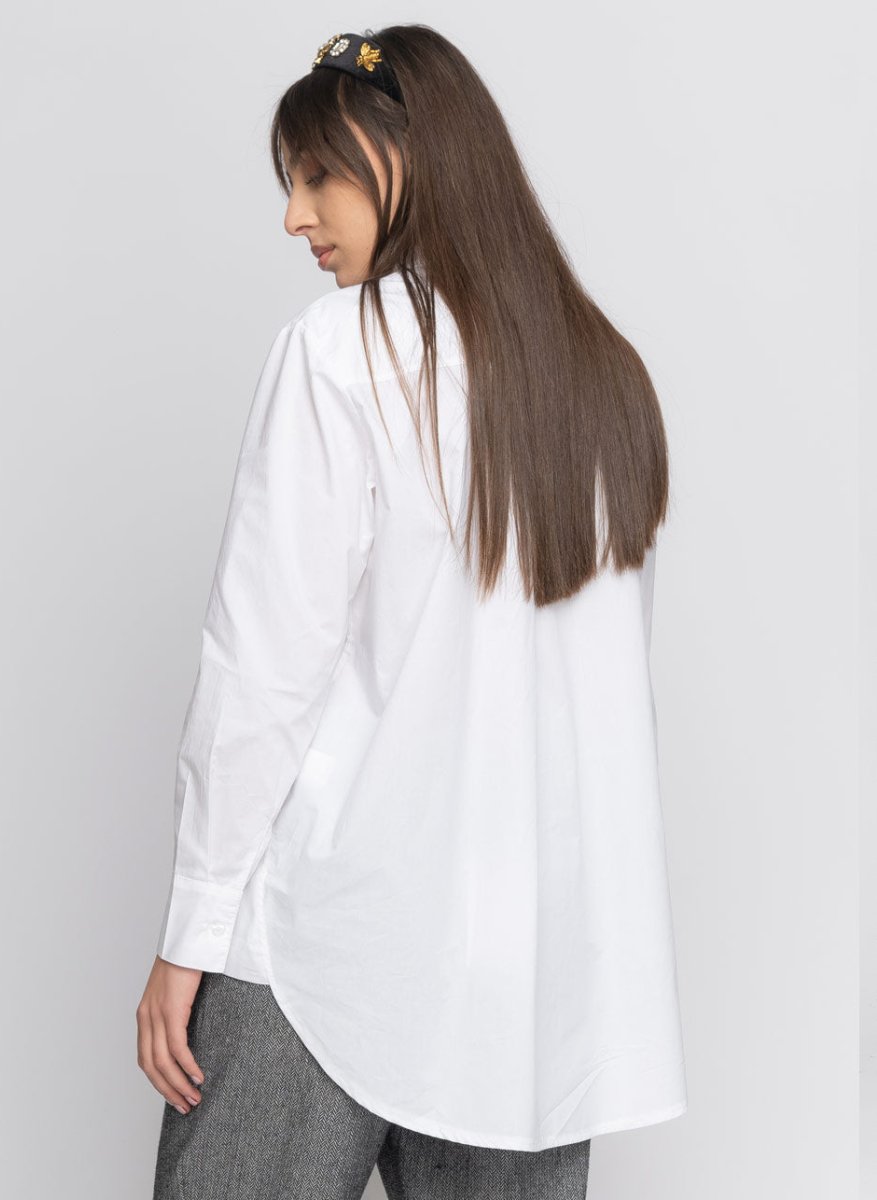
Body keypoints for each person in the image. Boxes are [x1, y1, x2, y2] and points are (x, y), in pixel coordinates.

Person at [137, 23, 688, 1199]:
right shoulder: (607, 379)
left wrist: (192, 932)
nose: (296, 216)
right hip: (527, 989)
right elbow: (598, 702)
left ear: (410, 156)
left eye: (317, 175)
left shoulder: (340, 353)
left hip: (329, 945)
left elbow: (262, 670)